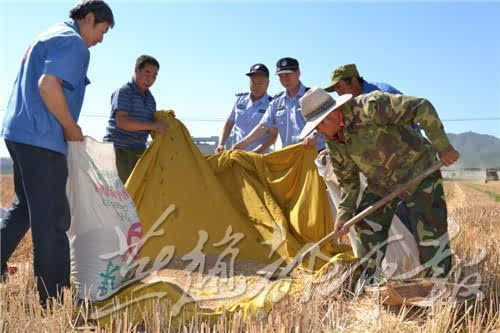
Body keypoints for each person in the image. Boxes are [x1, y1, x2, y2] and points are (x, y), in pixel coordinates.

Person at [0, 0, 114, 304]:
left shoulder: (49, 34)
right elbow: (48, 85)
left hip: (18, 133)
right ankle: (55, 296)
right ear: (88, 18)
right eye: (102, 31)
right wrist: (69, 126)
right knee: (52, 219)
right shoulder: (75, 44)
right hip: (42, 139)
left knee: (25, 208)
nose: (101, 39)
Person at [299, 87, 459, 282]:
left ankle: (439, 285)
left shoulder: (370, 107)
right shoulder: (333, 142)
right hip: (381, 182)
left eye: (317, 127)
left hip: (417, 171)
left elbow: (421, 107)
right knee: (366, 226)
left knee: (430, 232)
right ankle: (369, 281)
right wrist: (344, 215)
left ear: (329, 117)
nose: (318, 133)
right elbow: (349, 183)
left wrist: (443, 146)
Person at [233, 57, 322, 151]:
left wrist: (315, 134)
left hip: (316, 153)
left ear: (298, 73)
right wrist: (241, 145)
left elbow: (328, 120)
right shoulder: (276, 102)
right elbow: (263, 126)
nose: (285, 79)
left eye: (288, 74)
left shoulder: (313, 95)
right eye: (281, 76)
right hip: (291, 156)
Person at [103, 55, 167, 184]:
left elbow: (152, 128)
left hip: (138, 152)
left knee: (139, 195)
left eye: (154, 76)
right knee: (122, 196)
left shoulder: (150, 99)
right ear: (136, 70)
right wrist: (153, 125)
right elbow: (122, 122)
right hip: (119, 151)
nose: (150, 79)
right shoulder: (124, 92)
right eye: (147, 73)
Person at [215, 63, 277, 154]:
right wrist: (221, 144)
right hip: (237, 154)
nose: (256, 86)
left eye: (260, 83)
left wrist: (254, 153)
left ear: (267, 83)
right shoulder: (240, 100)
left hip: (259, 157)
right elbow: (229, 124)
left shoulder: (272, 104)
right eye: (253, 82)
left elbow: (272, 137)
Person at [324, 63, 402, 96]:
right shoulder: (348, 106)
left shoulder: (385, 94)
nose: (337, 91)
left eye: (339, 86)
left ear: (353, 81)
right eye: (335, 89)